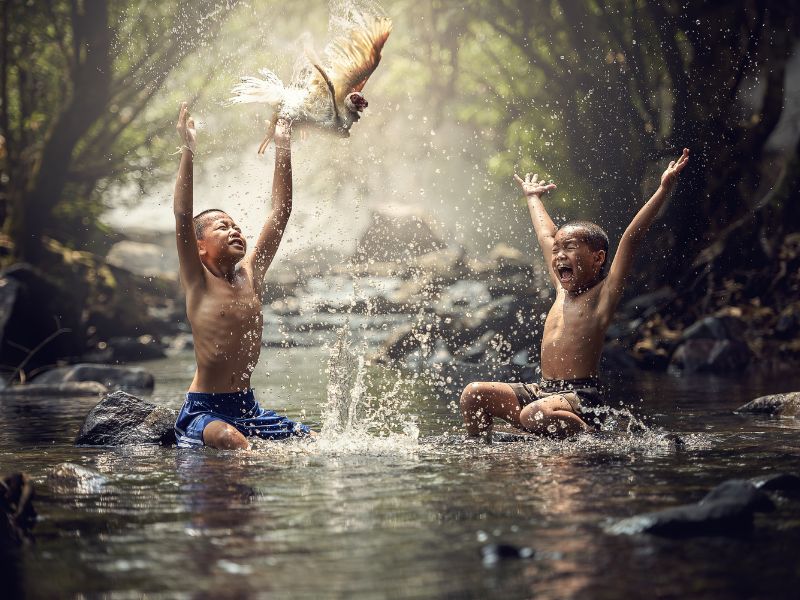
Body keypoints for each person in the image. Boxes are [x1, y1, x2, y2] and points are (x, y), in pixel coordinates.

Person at [460, 149, 690, 440]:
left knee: (533, 414)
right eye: (557, 251)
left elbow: (632, 236)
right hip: (542, 391)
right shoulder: (560, 289)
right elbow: (547, 235)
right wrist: (532, 197)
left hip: (580, 396)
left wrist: (662, 189)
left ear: (597, 258)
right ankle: (482, 452)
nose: (558, 256)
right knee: (474, 394)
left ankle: (592, 439)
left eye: (569, 248)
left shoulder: (603, 294)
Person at [171, 102, 313, 450]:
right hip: (204, 410)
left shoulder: (251, 273)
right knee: (229, 439)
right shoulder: (197, 282)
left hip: (248, 407)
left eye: (237, 226)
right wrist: (188, 150)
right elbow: (182, 213)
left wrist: (283, 143)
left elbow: (281, 210)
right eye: (223, 227)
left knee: (312, 442)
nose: (235, 231)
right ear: (199, 245)